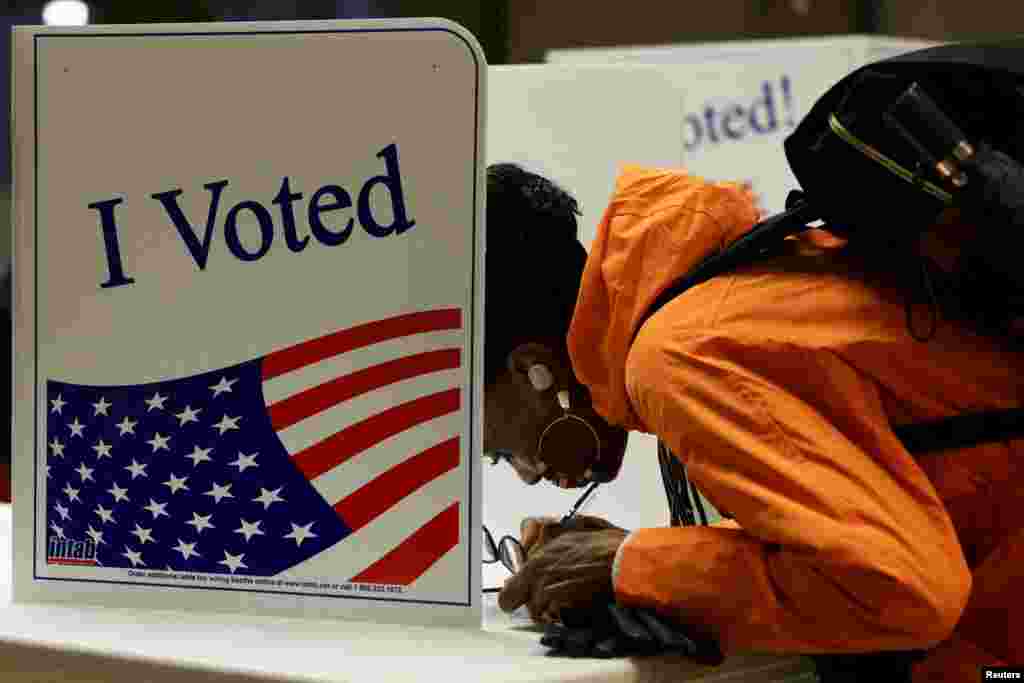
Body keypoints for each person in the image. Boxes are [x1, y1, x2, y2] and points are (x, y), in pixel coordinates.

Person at [483, 162, 1023, 681]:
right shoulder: (723, 295)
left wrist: (631, 565)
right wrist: (634, 558)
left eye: (499, 451)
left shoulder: (679, 354)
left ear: (534, 372)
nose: (526, 475)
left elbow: (903, 589)